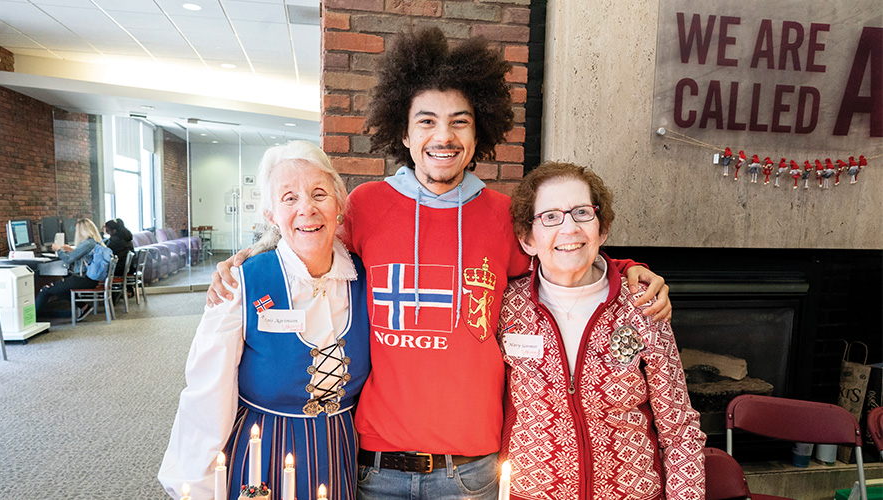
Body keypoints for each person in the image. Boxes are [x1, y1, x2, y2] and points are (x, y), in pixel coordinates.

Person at [208, 28, 671, 499]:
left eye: (460, 122)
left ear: (478, 134)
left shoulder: (501, 215)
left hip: (471, 472)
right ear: (404, 133)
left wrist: (628, 266)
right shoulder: (367, 205)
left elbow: (563, 254)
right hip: (374, 466)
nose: (443, 137)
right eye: (426, 121)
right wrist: (250, 256)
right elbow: (307, 245)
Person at [159, 141, 371, 500]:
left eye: (319, 194)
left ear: (338, 204)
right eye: (289, 198)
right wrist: (197, 486)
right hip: (265, 453)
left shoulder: (365, 279)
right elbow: (206, 394)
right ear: (271, 214)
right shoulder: (241, 282)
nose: (307, 209)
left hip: (339, 455)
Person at [499, 162, 705, 499]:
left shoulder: (642, 303)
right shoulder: (507, 305)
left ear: (602, 228)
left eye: (582, 212)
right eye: (550, 216)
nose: (569, 228)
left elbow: (679, 430)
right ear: (527, 238)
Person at [34, 218, 106, 320]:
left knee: (46, 289)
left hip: (83, 279)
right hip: (90, 279)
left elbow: (68, 260)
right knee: (60, 287)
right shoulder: (93, 242)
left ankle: (32, 319)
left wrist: (58, 250)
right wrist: (72, 250)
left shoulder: (86, 243)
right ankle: (84, 307)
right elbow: (85, 256)